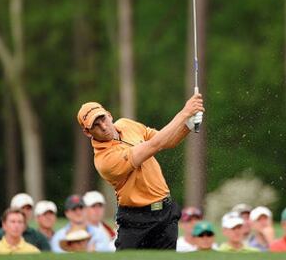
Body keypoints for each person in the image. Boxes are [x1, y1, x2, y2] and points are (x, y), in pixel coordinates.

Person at [76, 95, 204, 250]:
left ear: (109, 115)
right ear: (87, 132)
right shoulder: (105, 160)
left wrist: (188, 125)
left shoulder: (126, 124)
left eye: (102, 119)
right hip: (135, 220)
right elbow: (154, 145)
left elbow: (166, 141)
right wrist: (184, 113)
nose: (103, 126)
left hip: (165, 213)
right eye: (95, 125)